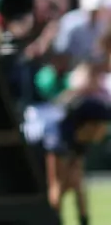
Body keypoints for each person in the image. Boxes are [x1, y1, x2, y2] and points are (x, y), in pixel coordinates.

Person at [43, 92, 111, 225]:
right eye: (102, 124)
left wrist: (84, 219)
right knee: (63, 182)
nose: (105, 129)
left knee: (74, 179)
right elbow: (55, 187)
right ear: (88, 125)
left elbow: (78, 183)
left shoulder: (81, 137)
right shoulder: (58, 138)